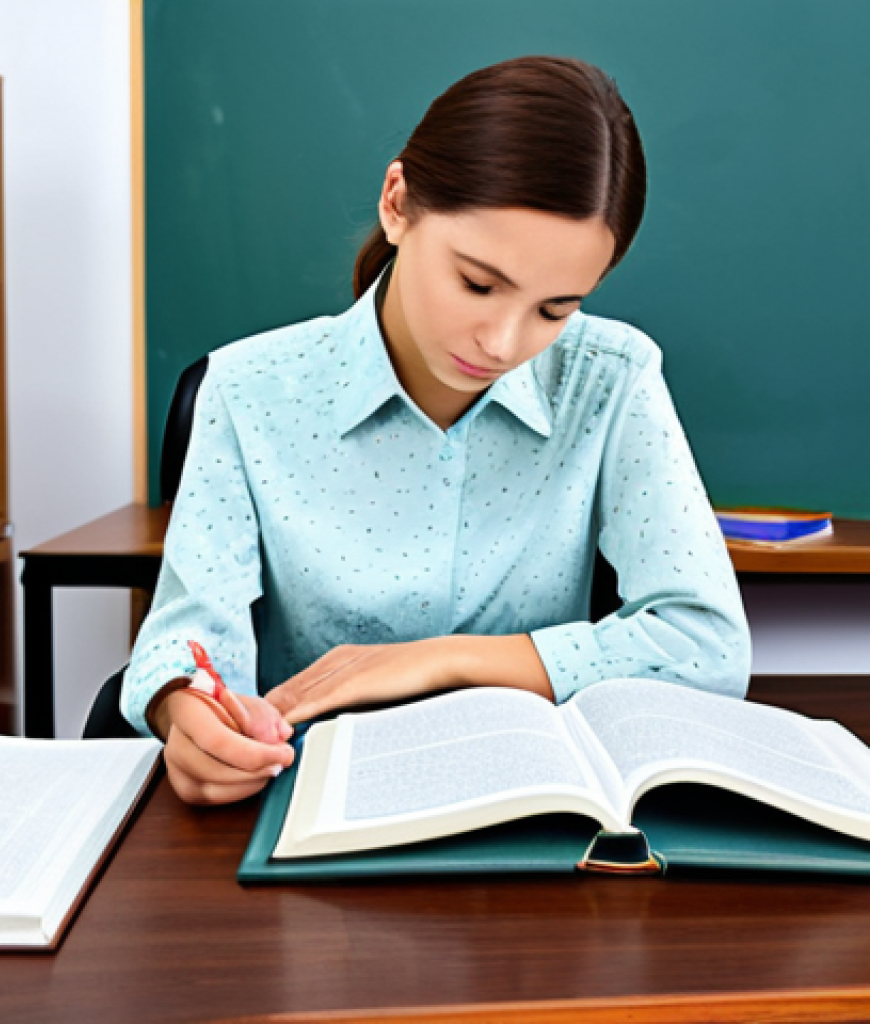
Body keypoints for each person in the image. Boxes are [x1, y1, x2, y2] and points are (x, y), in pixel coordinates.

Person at [121, 55, 751, 806]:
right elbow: (187, 642)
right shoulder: (246, 390)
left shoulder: (611, 378)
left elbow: (707, 645)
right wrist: (188, 715)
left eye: (554, 309)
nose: (503, 343)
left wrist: (443, 660)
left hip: (528, 806)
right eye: (478, 284)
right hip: (306, 797)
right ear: (397, 204)